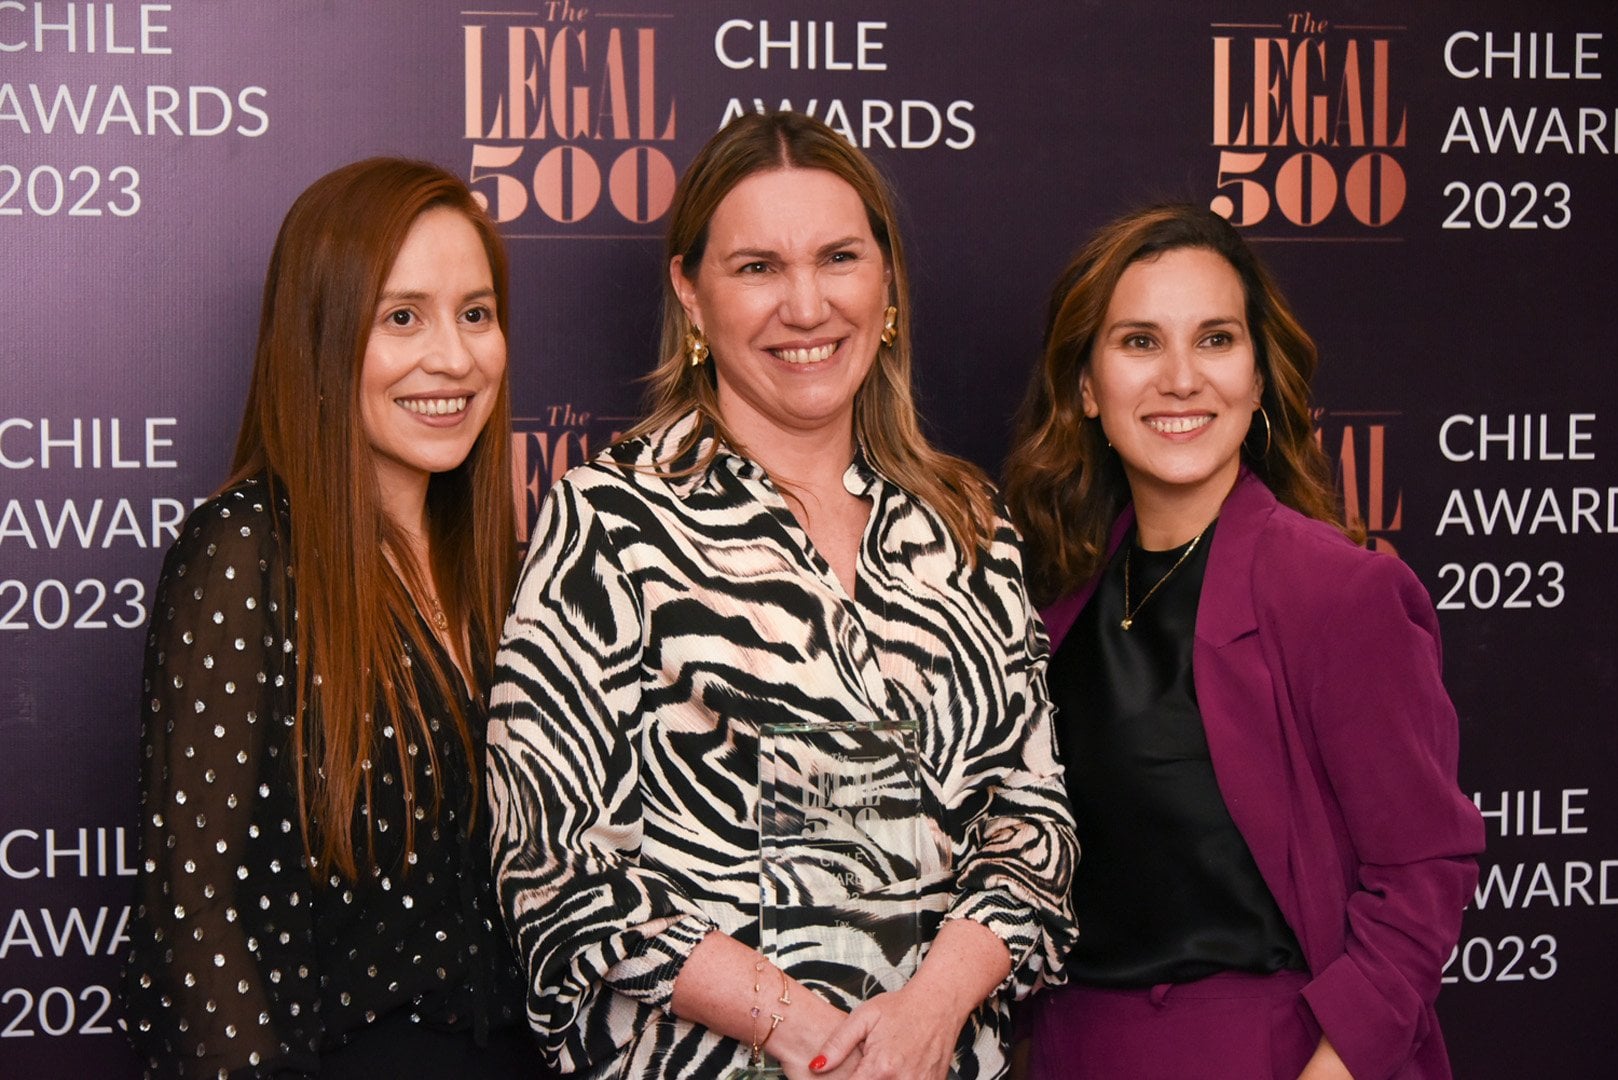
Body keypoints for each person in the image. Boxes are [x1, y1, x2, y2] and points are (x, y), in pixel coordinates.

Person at [486, 111, 1077, 1079]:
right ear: (691, 293)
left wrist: (926, 1016)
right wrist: (810, 1038)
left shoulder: (965, 524)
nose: (806, 307)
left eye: (838, 258)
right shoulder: (609, 520)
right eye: (757, 267)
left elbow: (1032, 824)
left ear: (886, 282)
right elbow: (556, 867)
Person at [1003, 204, 1485, 1080]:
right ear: (1086, 388)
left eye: (1216, 340)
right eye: (1140, 342)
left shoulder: (1339, 593)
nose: (1182, 378)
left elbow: (1422, 874)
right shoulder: (1049, 598)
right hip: (1072, 1050)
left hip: (1267, 1055)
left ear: (1258, 378)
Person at [122, 158, 539, 1078]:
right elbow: (193, 913)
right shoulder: (245, 552)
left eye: (475, 313)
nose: (455, 357)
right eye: (403, 317)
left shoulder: (500, 562)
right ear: (319, 334)